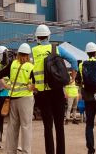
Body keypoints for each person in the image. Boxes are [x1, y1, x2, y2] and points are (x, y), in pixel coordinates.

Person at [31, 24, 77, 154]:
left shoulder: (33, 51)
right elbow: (73, 61)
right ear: (49, 36)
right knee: (59, 126)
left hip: (42, 94)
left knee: (47, 127)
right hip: (57, 91)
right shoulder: (57, 49)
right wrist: (72, 77)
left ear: (37, 38)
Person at [0, 43, 35, 154]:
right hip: (26, 99)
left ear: (18, 54)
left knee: (12, 126)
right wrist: (31, 87)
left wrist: (6, 85)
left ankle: (10, 151)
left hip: (13, 98)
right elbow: (37, 82)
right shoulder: (31, 67)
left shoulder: (13, 64)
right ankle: (26, 152)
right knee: (26, 126)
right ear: (28, 55)